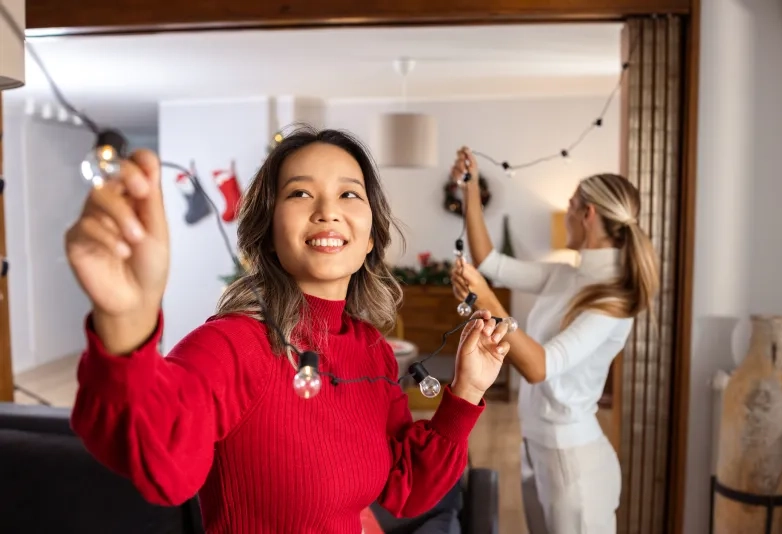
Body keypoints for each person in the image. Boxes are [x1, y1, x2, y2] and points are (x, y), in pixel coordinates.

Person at [63, 129, 512, 534]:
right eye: (300, 193)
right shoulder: (235, 345)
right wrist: (127, 320)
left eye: (349, 195)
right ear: (269, 230)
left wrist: (467, 389)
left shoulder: (370, 349)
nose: (327, 212)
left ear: (372, 234)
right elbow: (163, 463)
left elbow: (406, 488)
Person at [447, 147, 659, 534]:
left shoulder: (614, 299)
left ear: (588, 215)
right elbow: (490, 261)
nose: (567, 209)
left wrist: (488, 301)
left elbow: (541, 367)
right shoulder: (566, 275)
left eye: (572, 203)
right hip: (536, 447)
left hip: (573, 463)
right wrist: (471, 187)